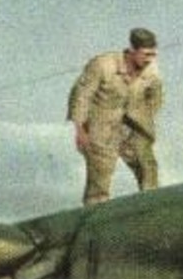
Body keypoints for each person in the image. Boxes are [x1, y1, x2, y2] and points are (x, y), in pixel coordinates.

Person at [68, 27, 164, 205]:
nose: (150, 59)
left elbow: (156, 97)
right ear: (133, 51)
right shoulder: (103, 65)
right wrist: (80, 129)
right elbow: (81, 95)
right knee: (100, 180)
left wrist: (144, 118)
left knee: (148, 167)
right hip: (101, 128)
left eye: (153, 54)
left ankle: (151, 207)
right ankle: (95, 216)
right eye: (145, 54)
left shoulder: (152, 70)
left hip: (132, 127)